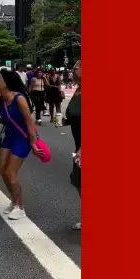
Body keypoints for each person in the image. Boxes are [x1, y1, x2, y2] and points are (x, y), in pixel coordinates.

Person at [0, 69, 41, 220]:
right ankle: (15, 201)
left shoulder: (19, 98)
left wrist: (32, 143)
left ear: (6, 84)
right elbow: (8, 118)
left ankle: (20, 207)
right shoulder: (2, 99)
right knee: (2, 169)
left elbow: (29, 122)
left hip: (22, 138)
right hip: (9, 137)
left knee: (10, 172)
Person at [62, 60, 81, 230]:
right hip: (79, 144)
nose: (74, 70)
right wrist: (66, 120)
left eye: (77, 67)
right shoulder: (77, 91)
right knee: (78, 180)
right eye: (74, 67)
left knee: (79, 178)